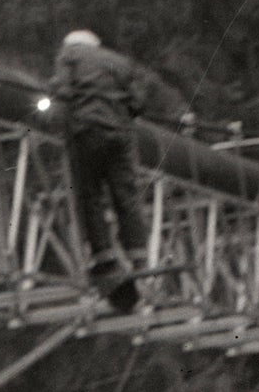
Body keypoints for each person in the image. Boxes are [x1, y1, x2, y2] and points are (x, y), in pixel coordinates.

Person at [47, 26, 193, 314]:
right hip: (121, 139)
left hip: (86, 132)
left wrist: (55, 100)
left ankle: (104, 257)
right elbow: (138, 103)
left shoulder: (69, 55)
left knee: (89, 196)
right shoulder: (119, 62)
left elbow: (63, 90)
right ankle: (139, 257)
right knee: (126, 196)